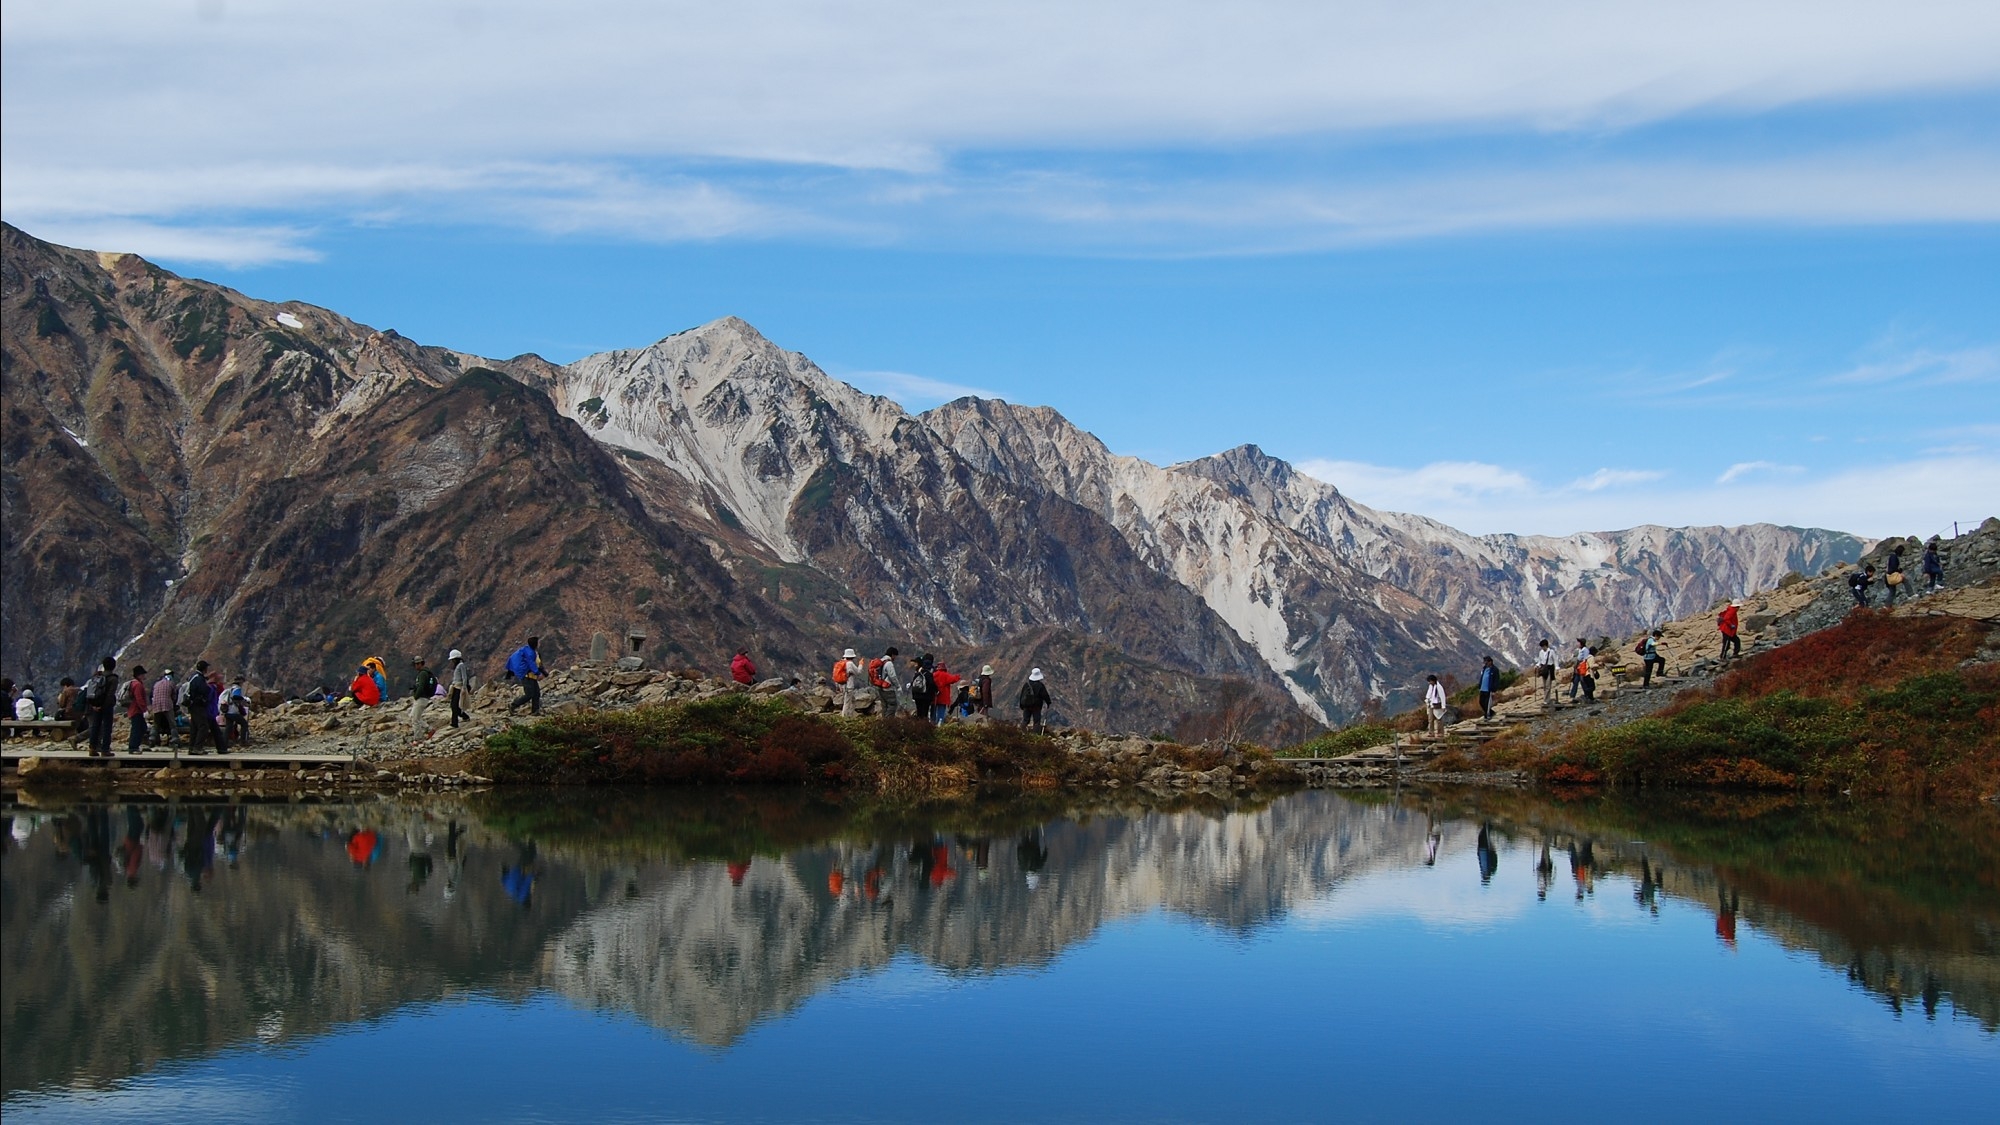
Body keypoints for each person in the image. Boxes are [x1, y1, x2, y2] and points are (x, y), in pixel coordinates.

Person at [185, 660, 225, 754]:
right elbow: (203, 690)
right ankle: (198, 747)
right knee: (203, 726)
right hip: (198, 705)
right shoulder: (199, 679)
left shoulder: (192, 677)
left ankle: (192, 747)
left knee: (195, 727)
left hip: (191, 705)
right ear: (204, 669)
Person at [82, 657, 118, 757]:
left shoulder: (97, 676)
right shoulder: (113, 678)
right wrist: (104, 706)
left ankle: (92, 748)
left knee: (95, 726)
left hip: (95, 705)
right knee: (107, 727)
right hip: (106, 707)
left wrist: (94, 705)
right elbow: (110, 695)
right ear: (114, 666)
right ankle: (105, 749)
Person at [506, 636, 544, 715]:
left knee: (536, 693)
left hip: (531, 676)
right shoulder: (530, 653)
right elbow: (531, 664)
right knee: (529, 694)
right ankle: (513, 705)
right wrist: (538, 673)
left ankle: (535, 711)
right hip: (527, 676)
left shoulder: (531, 651)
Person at [121, 664, 150, 753]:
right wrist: (144, 709)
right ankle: (133, 747)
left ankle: (135, 746)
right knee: (137, 729)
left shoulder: (133, 683)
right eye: (143, 674)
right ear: (139, 675)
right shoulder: (138, 685)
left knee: (141, 727)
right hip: (137, 710)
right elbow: (139, 698)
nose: (144, 676)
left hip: (133, 709)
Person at [869, 647, 904, 717]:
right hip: (888, 688)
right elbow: (892, 676)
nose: (895, 658)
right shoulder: (889, 664)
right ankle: (888, 722)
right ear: (893, 655)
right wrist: (898, 686)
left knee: (884, 706)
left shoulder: (881, 661)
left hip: (880, 687)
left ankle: (884, 722)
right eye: (895, 656)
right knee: (892, 705)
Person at [408, 657, 438, 736]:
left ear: (420, 664)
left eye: (416, 664)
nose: (415, 666)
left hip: (421, 698)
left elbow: (421, 686)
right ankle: (429, 729)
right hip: (425, 697)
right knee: (414, 716)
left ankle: (418, 738)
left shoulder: (422, 674)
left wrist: (416, 695)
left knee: (415, 719)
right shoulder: (425, 673)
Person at [150, 669, 178, 746]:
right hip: (167, 705)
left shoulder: (156, 684)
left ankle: (152, 737)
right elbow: (174, 696)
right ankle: (174, 739)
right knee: (172, 724)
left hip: (156, 705)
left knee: (156, 724)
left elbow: (152, 695)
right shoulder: (171, 683)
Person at [1018, 667, 1051, 732]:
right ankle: (1035, 734)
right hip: (1036, 706)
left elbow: (1022, 695)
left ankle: (1022, 732)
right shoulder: (1040, 686)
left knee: (1025, 720)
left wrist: (1022, 705)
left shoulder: (1026, 685)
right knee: (1036, 721)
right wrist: (1048, 702)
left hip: (1026, 706)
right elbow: (1045, 695)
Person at [447, 649, 473, 727]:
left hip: (459, 687)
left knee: (455, 705)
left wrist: (464, 688)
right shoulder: (458, 666)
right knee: (454, 705)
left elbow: (464, 677)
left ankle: (455, 723)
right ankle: (464, 716)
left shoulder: (461, 665)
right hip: (456, 686)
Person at [222, 676, 251, 744]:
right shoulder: (237, 689)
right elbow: (235, 696)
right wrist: (244, 698)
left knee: (228, 728)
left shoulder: (231, 689)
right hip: (233, 711)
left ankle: (224, 743)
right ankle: (243, 741)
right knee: (244, 724)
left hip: (228, 711)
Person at [1476, 656, 1500, 720]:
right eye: (1485, 662)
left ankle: (1487, 715)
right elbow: (1482, 678)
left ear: (1490, 662)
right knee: (1481, 702)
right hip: (1482, 689)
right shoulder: (1484, 669)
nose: (1485, 663)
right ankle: (1491, 712)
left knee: (1487, 703)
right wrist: (1479, 686)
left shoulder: (1494, 670)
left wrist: (1494, 690)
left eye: (1486, 662)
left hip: (1489, 690)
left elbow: (1496, 680)